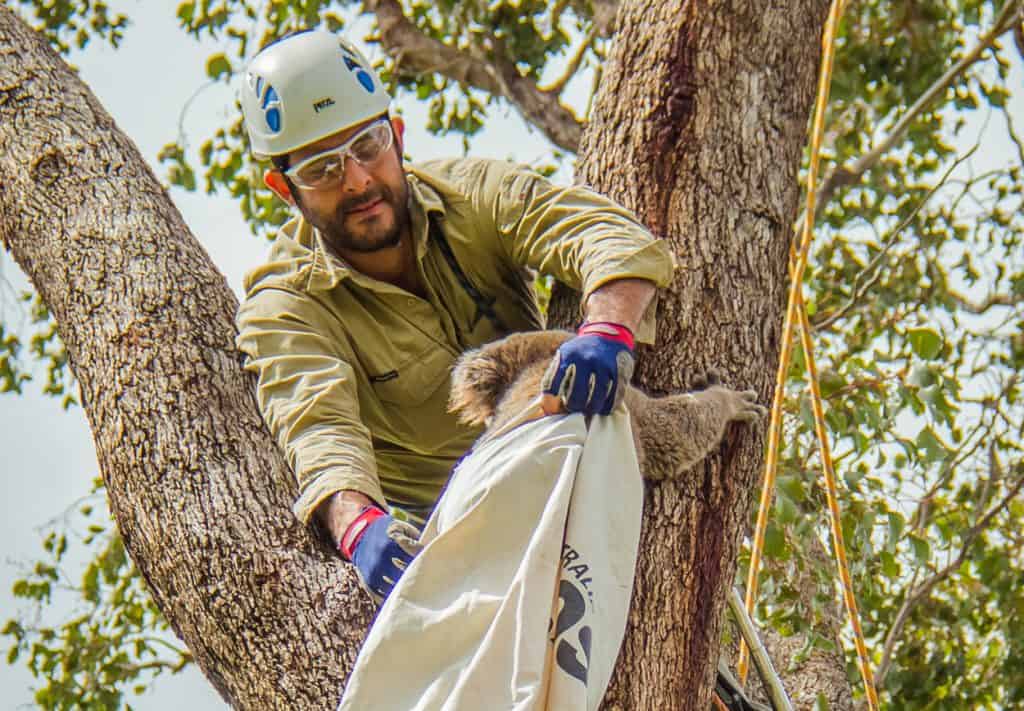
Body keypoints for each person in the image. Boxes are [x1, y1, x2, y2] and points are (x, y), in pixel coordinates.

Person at [235, 29, 675, 603]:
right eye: (322, 169)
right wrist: (359, 527)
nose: (358, 180)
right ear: (283, 189)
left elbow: (605, 235)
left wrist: (607, 331)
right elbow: (319, 429)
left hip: (565, 451)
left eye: (367, 146)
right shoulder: (287, 307)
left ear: (396, 135)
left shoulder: (474, 193)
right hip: (460, 527)